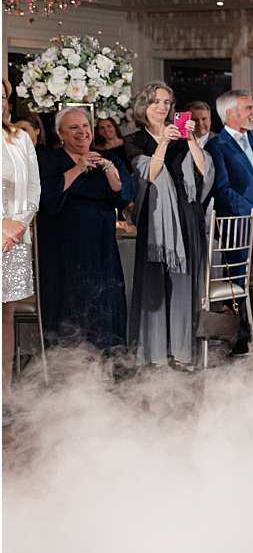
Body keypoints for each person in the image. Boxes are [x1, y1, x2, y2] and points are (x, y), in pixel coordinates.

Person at [121, 82, 214, 370]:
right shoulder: (134, 140)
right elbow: (147, 174)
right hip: (155, 220)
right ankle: (155, 353)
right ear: (144, 107)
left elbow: (205, 171)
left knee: (184, 285)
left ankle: (183, 352)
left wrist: (190, 139)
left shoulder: (184, 135)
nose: (162, 107)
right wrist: (163, 142)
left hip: (187, 215)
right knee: (154, 286)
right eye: (155, 102)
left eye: (166, 102)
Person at [37, 107, 136, 351]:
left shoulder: (108, 157)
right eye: (73, 128)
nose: (82, 132)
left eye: (85, 126)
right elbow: (47, 199)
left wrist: (110, 171)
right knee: (69, 299)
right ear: (61, 134)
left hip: (101, 245)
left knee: (105, 298)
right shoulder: (49, 159)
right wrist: (78, 168)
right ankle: (68, 360)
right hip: (63, 247)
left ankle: (107, 357)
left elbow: (123, 197)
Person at [206, 90, 253, 348]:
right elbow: (221, 188)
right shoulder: (216, 146)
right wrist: (252, 212)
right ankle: (238, 337)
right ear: (230, 113)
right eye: (249, 108)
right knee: (236, 282)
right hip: (236, 224)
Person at [3, 79, 42, 420]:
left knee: (7, 316)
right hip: (4, 230)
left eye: (3, 97)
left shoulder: (20, 139)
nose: (0, 102)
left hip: (15, 239)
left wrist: (18, 224)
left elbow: (34, 188)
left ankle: (5, 391)